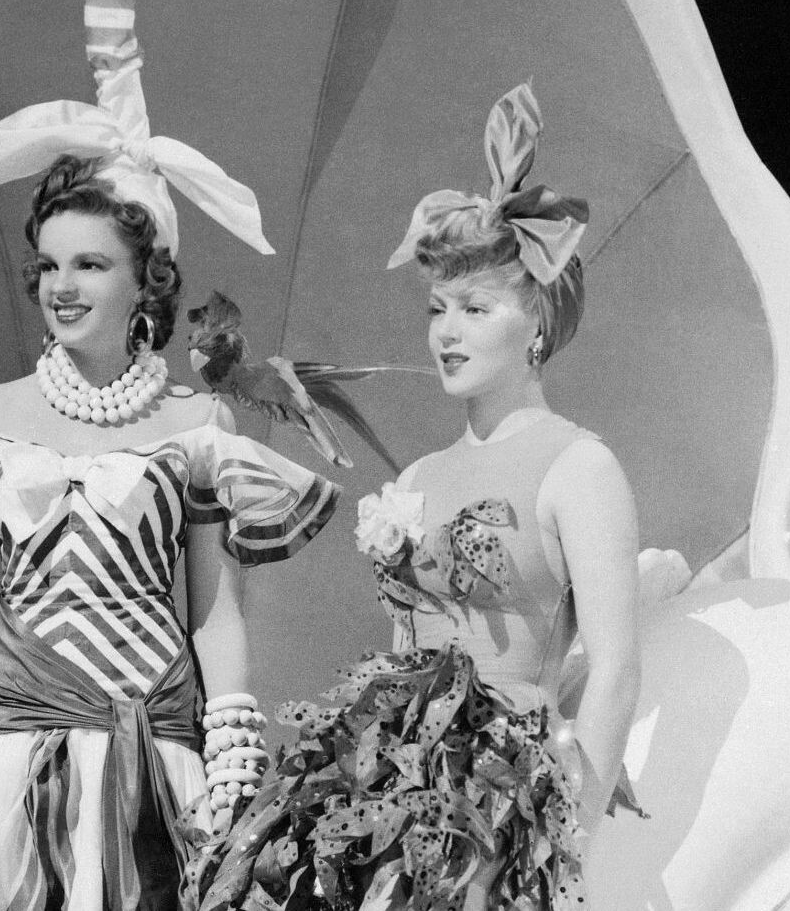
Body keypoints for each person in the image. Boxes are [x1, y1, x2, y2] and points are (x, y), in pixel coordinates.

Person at [0, 0, 342, 911]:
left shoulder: (198, 424)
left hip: (153, 771)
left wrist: (231, 755)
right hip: (6, 761)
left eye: (89, 263)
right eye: (49, 264)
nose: (62, 286)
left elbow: (213, 609)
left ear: (145, 280)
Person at [190, 83, 641, 911]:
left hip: (500, 800)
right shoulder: (421, 476)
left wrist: (567, 843)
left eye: (475, 308)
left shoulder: (580, 467)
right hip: (386, 783)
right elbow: (402, 647)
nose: (446, 331)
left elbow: (615, 669)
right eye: (438, 309)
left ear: (538, 325)